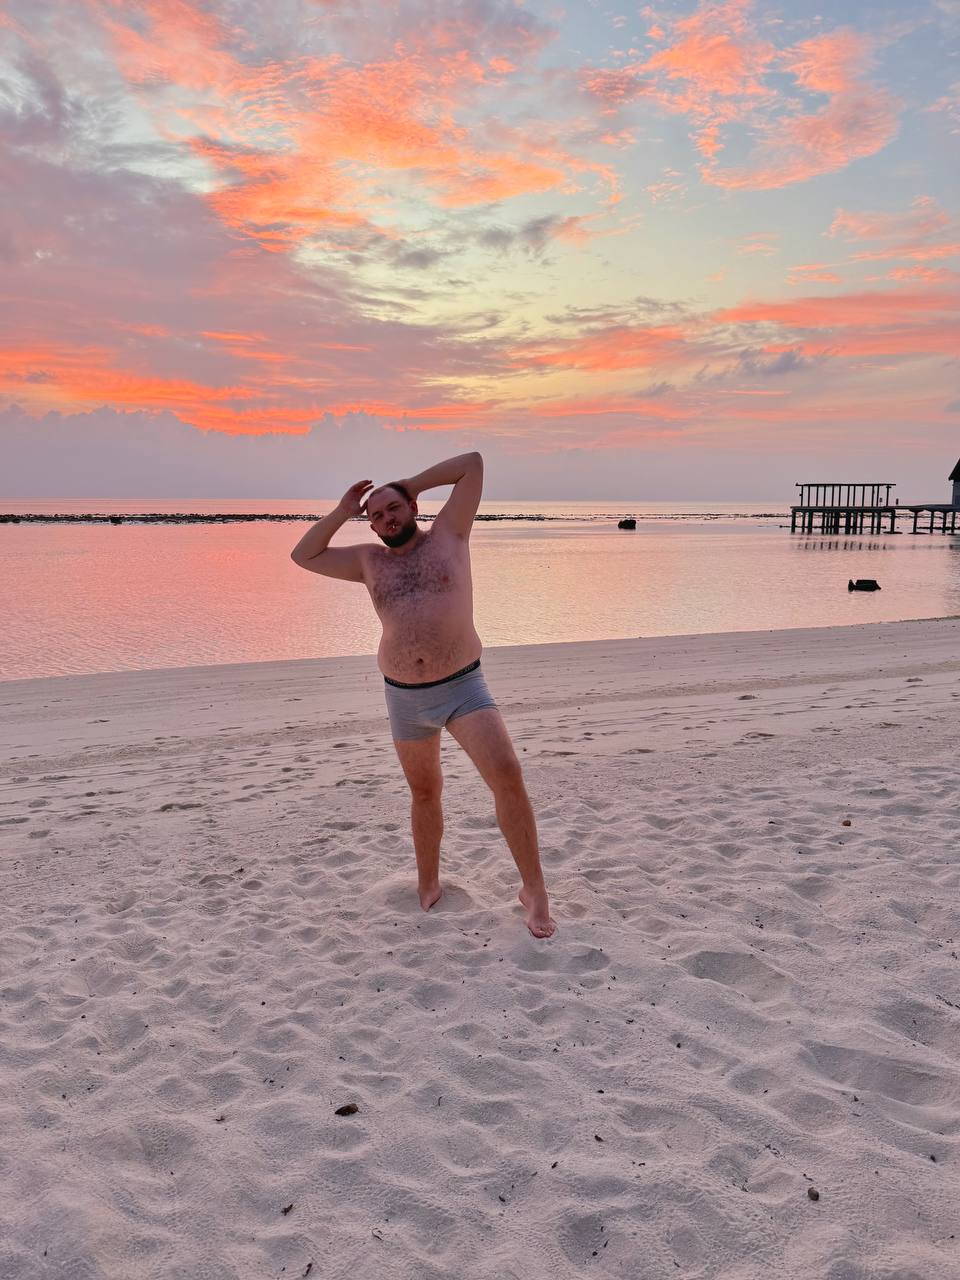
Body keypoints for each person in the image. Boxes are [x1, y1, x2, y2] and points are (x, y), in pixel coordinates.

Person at [291, 452, 556, 939]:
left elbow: (472, 464)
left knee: (507, 774)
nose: (386, 518)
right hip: (404, 698)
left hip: (463, 686)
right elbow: (302, 555)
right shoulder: (368, 562)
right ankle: (428, 881)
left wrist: (407, 482)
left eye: (393, 507)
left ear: (413, 506)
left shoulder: (450, 535)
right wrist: (343, 512)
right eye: (376, 515)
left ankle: (534, 890)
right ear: (371, 526)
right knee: (425, 793)